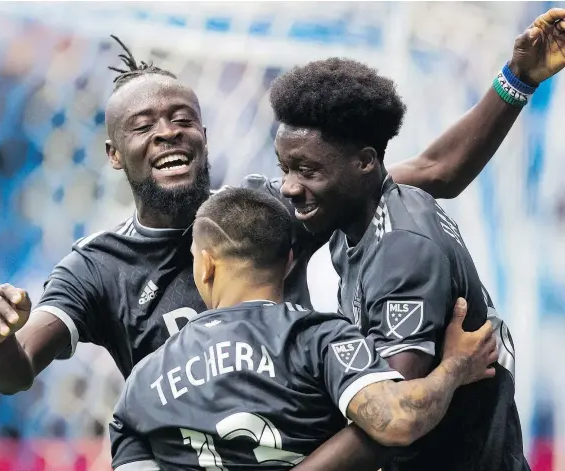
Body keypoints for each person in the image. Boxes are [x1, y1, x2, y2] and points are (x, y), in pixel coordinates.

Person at [0, 8, 564, 396]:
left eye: (183, 119)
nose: (167, 133)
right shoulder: (96, 267)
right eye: (143, 125)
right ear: (113, 154)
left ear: (206, 134)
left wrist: (518, 78)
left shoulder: (262, 212)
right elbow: (16, 371)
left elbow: (435, 170)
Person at [268, 11, 565, 468]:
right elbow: (437, 168)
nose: (289, 186)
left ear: (365, 162)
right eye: (285, 168)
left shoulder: (403, 250)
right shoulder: (366, 203)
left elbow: (395, 418)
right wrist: (518, 78)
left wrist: (450, 371)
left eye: (306, 170)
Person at [109, 187, 498, 471]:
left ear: (206, 265)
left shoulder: (140, 386)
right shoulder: (322, 338)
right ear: (290, 261)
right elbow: (398, 420)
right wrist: (455, 367)